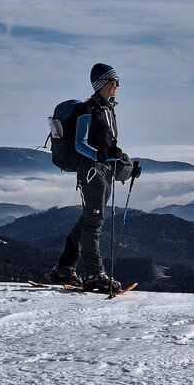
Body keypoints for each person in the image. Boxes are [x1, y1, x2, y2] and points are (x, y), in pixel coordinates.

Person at [48, 63, 140, 292]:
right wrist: (101, 155)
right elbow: (80, 145)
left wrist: (128, 166)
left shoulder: (108, 110)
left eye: (117, 81)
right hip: (92, 172)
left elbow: (109, 147)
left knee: (88, 220)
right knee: (93, 223)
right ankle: (94, 275)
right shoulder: (87, 110)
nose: (117, 85)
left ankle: (64, 268)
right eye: (113, 81)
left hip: (103, 171)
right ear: (101, 84)